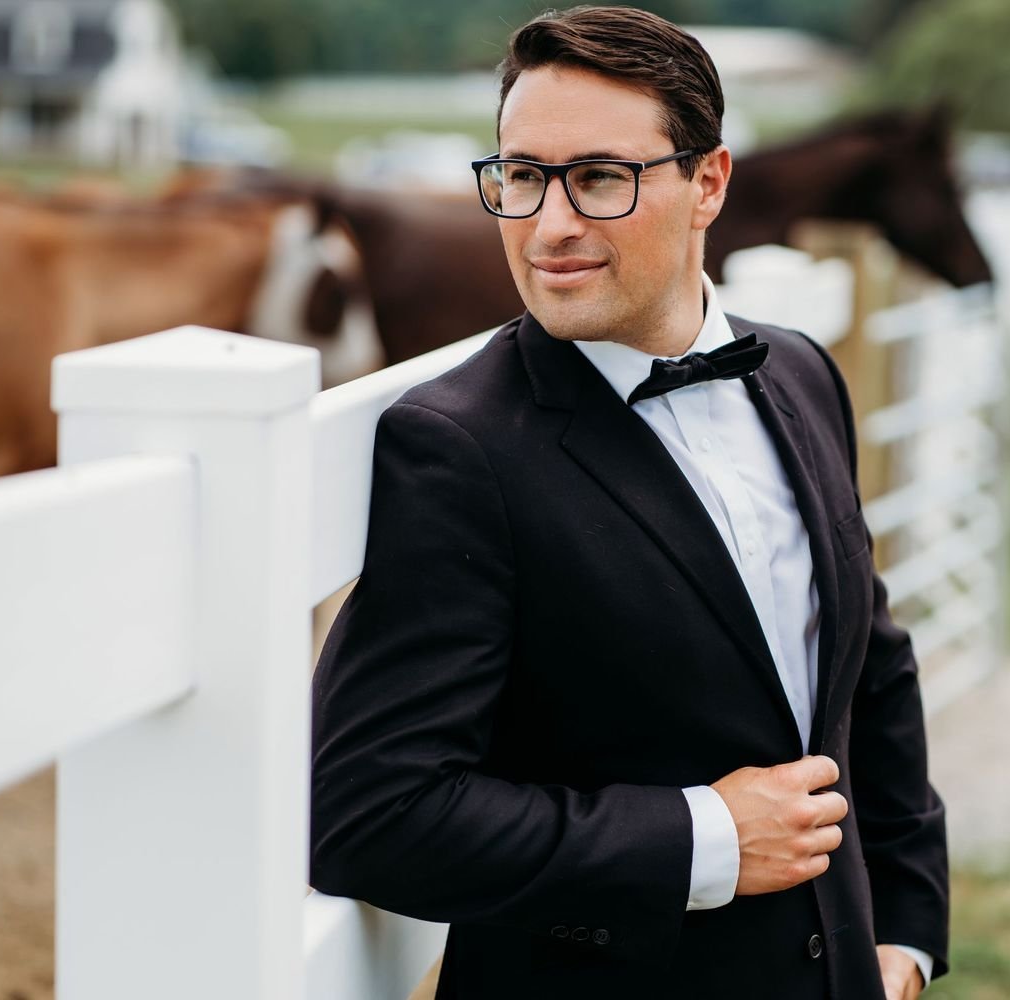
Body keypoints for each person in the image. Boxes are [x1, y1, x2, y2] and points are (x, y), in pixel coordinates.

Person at [308, 7, 948, 998]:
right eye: (522, 176)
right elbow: (371, 816)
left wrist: (904, 925)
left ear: (709, 184)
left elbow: (869, 661)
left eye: (601, 177)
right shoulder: (458, 448)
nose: (549, 225)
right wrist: (705, 839)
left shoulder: (802, 373)